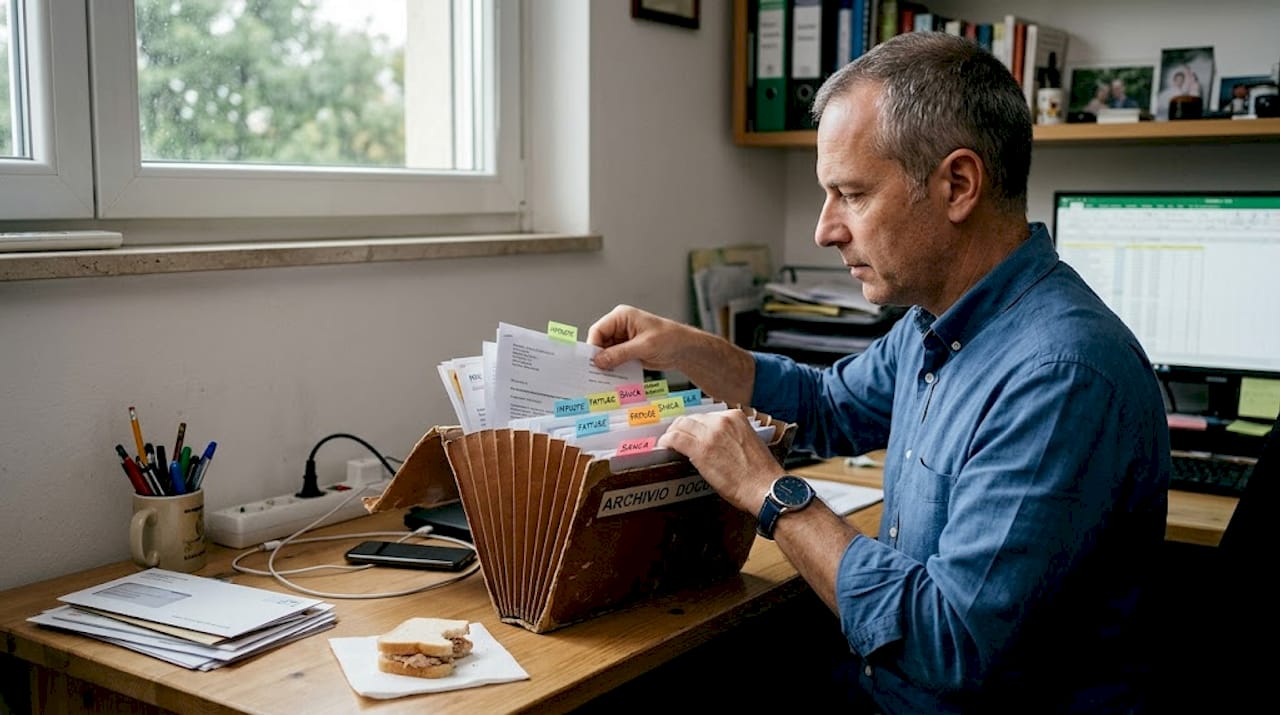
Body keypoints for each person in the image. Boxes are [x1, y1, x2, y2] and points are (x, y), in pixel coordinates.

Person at [588, 31, 1169, 714]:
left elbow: (949, 644)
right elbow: (829, 404)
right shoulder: (939, 321)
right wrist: (689, 347)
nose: (825, 229)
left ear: (958, 184)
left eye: (851, 194)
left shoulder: (1060, 376)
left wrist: (771, 492)